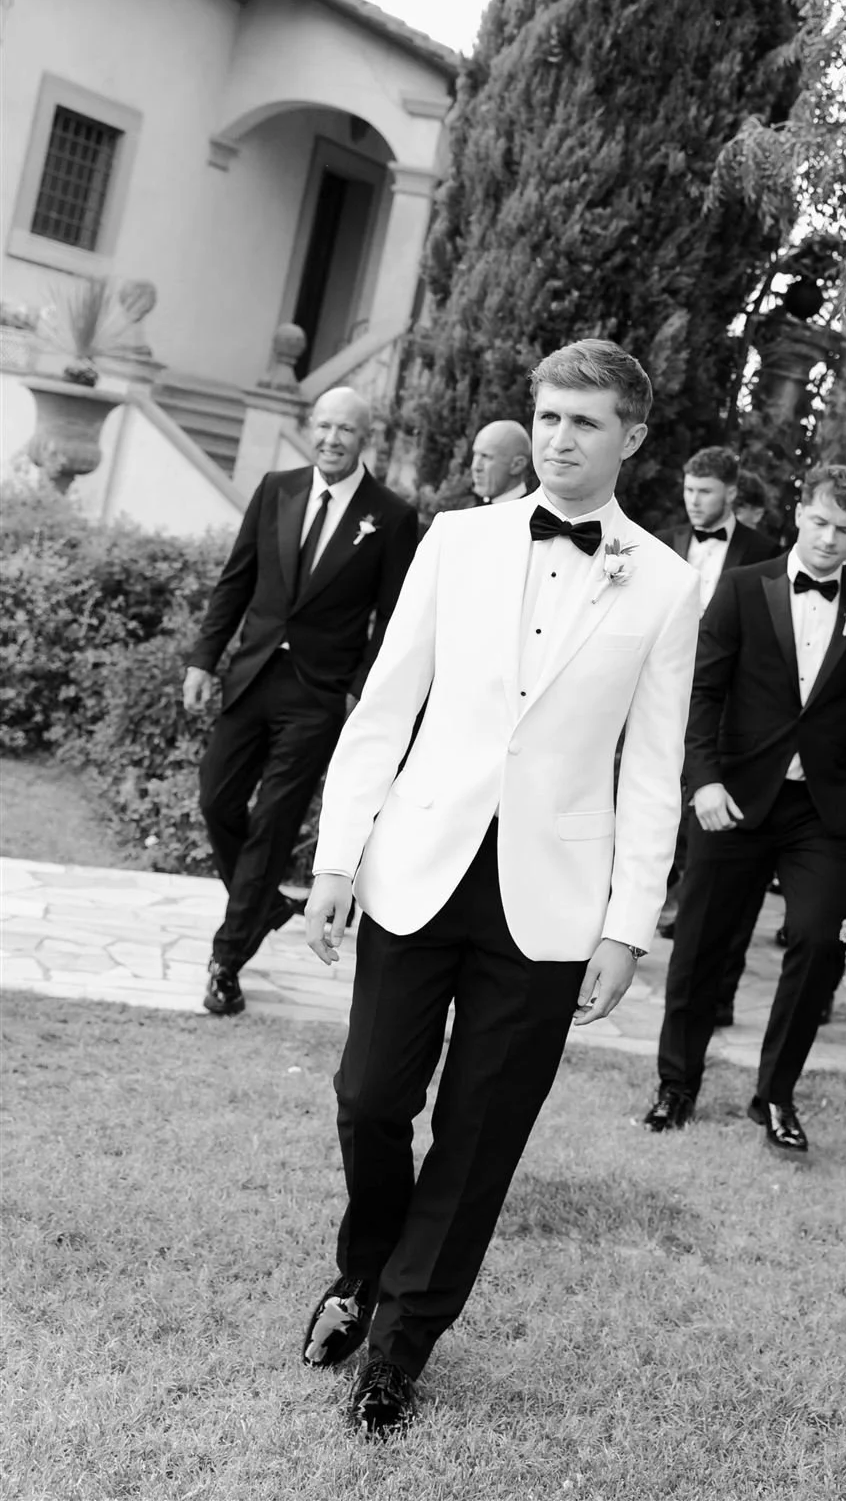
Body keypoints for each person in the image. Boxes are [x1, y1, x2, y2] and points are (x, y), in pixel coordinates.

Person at [300, 340, 699, 1436]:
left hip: (551, 900)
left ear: (632, 437)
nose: (561, 437)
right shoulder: (457, 538)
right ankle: (362, 1266)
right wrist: (338, 855)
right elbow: (385, 708)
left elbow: (654, 768)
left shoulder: (665, 582)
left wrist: (627, 924)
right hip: (417, 868)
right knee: (371, 1096)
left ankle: (398, 1347)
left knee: (480, 1133)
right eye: (549, 415)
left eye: (584, 421)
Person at [644, 466, 846, 1154]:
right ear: (798, 513)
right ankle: (677, 1083)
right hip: (733, 800)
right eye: (819, 523)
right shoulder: (739, 588)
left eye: (845, 531)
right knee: (700, 945)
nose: (828, 540)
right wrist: (702, 782)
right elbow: (703, 694)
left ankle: (775, 1096)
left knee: (817, 943)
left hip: (822, 810)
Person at [184, 388, 419, 1020]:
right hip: (252, 675)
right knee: (217, 801)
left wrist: (358, 693)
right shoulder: (276, 488)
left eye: (346, 429)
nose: (332, 439)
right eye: (323, 426)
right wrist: (203, 659)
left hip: (319, 695)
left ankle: (225, 962)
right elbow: (237, 578)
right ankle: (260, 903)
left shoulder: (391, 516)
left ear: (365, 437)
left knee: (274, 823)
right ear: (309, 430)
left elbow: (395, 619)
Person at [661, 445, 780, 611]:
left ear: (731, 494)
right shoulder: (662, 543)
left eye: (705, 492)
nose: (694, 501)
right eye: (689, 490)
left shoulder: (763, 551)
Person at [469, 418, 531, 504]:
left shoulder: (533, 515)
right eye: (475, 455)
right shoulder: (474, 512)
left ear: (517, 465)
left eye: (485, 456)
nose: (475, 467)